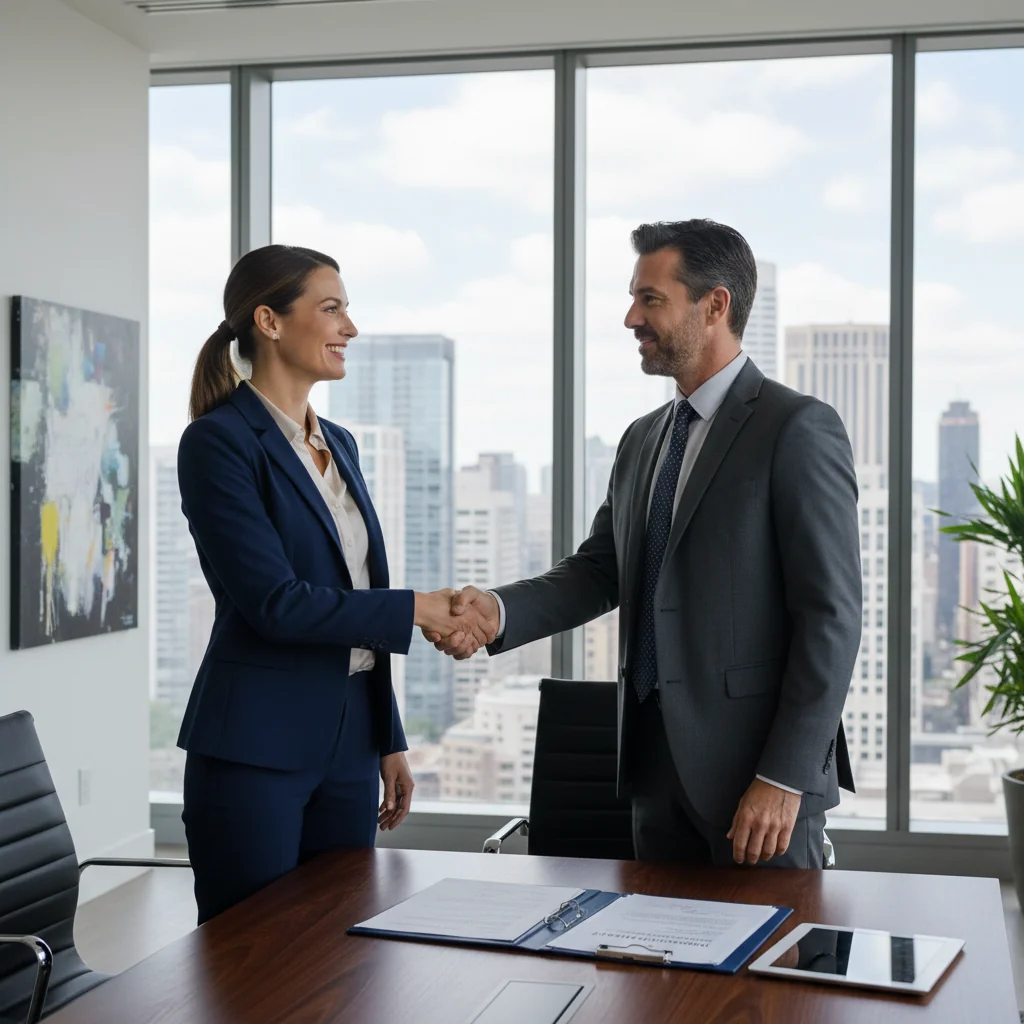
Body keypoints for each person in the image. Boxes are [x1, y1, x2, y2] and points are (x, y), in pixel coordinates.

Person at [429, 219, 860, 869]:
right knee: (654, 939)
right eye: (633, 298)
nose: (631, 318)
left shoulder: (796, 428)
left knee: (769, 940)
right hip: (652, 775)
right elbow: (599, 571)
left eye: (650, 299)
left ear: (714, 305)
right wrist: (497, 611)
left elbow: (831, 617)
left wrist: (784, 776)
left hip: (758, 785)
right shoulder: (642, 438)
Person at [177, 244, 492, 922]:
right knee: (250, 952)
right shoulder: (218, 442)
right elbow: (275, 603)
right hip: (256, 744)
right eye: (331, 309)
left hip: (351, 741)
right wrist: (419, 608)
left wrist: (388, 737)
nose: (350, 326)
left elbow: (354, 592)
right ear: (269, 321)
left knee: (339, 943)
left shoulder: (340, 443)